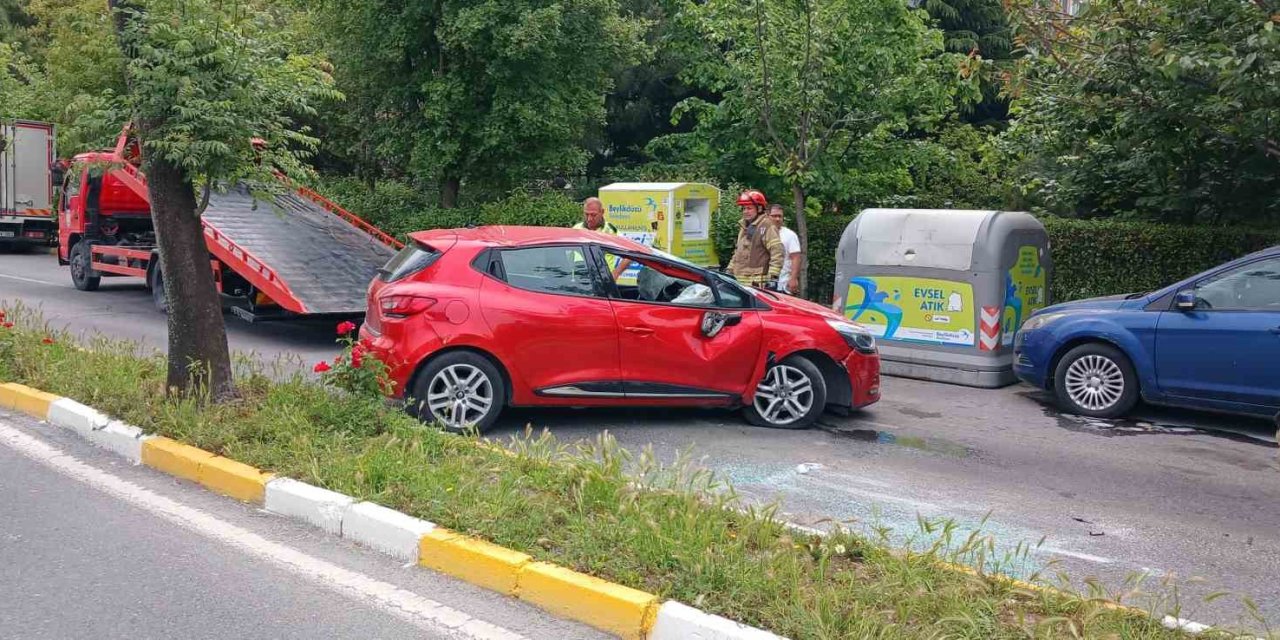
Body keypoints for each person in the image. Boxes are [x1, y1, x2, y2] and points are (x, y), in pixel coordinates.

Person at [727, 190, 783, 288]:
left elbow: (777, 252)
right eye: (744, 208)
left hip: (757, 284)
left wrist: (773, 277)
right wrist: (729, 270)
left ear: (759, 208)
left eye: (749, 208)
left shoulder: (766, 226)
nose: (745, 211)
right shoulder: (744, 226)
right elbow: (738, 252)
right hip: (740, 282)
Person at [573, 197, 629, 278]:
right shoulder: (576, 230)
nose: (589, 219)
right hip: (581, 279)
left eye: (593, 215)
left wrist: (616, 273)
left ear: (602, 212)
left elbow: (630, 254)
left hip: (604, 280)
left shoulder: (610, 230)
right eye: (586, 214)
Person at [767, 203, 802, 295]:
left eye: (780, 216)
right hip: (763, 283)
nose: (777, 219)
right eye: (774, 216)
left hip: (783, 283)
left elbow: (796, 258)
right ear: (767, 216)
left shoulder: (790, 235)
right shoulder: (761, 234)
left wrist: (793, 279)